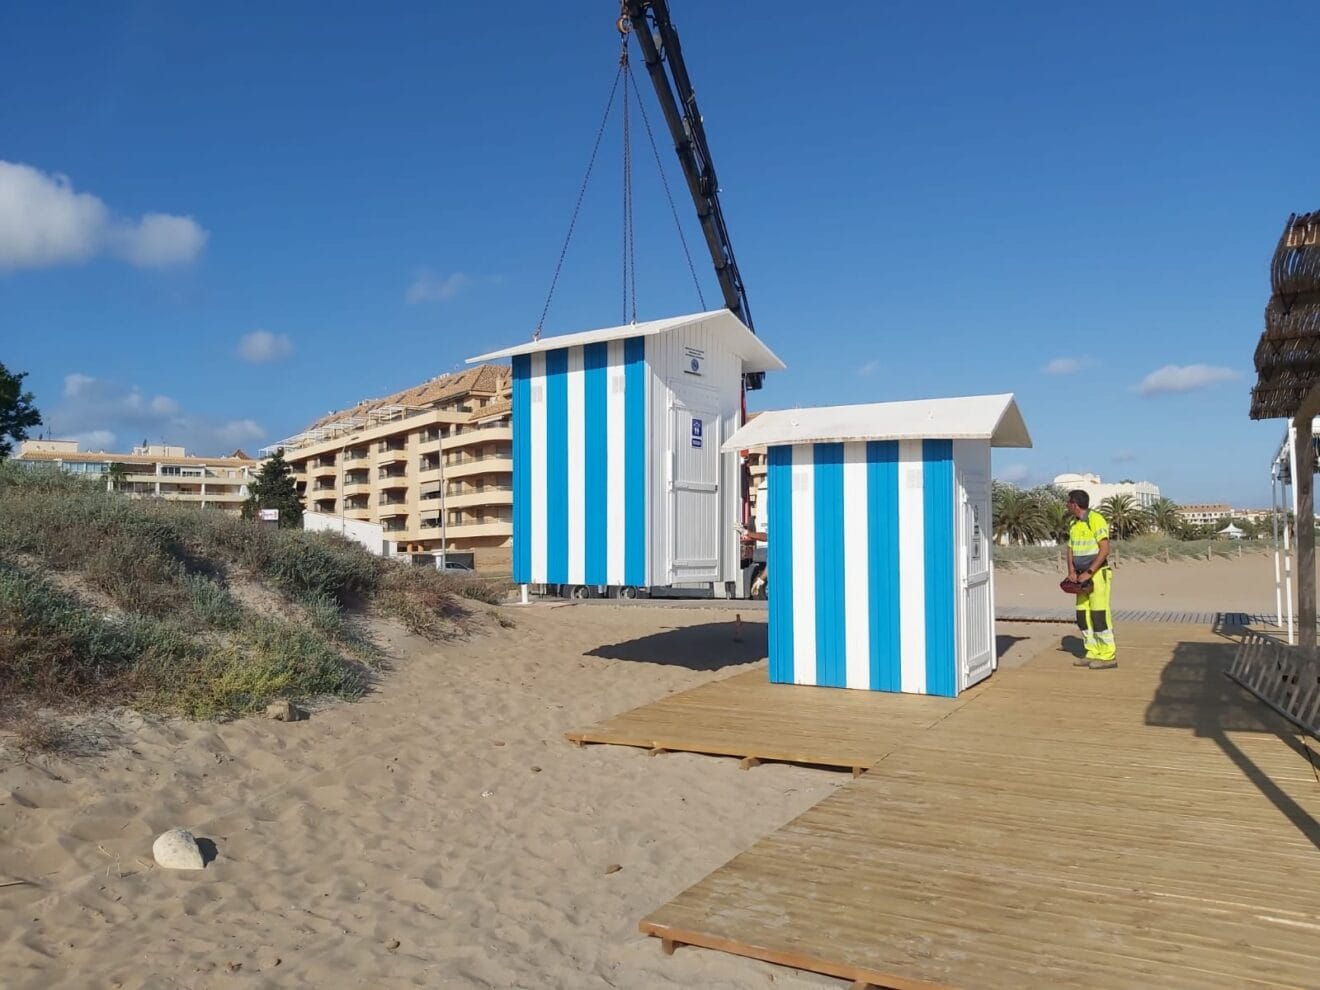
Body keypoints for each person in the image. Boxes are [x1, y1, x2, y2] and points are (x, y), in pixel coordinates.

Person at [1065, 489, 1116, 668]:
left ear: (1074, 504)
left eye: (1067, 502)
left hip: (1097, 574)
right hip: (1079, 578)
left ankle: (1107, 655)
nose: (1066, 505)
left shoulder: (1096, 519)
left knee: (1099, 614)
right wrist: (1071, 571)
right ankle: (1092, 651)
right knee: (1082, 615)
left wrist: (1090, 571)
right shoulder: (1073, 524)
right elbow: (1070, 549)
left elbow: (1104, 549)